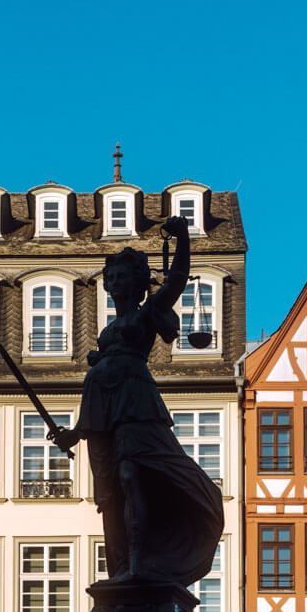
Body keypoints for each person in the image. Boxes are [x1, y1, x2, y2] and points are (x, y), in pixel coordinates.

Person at [54, 215, 223, 586]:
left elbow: (177, 279)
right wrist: (74, 433)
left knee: (131, 475)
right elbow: (97, 396)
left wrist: (182, 239)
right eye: (111, 278)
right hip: (103, 415)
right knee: (112, 491)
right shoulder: (107, 331)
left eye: (123, 277)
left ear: (138, 282)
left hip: (136, 407)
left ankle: (137, 564)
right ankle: (122, 567)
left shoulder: (147, 313)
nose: (115, 283)